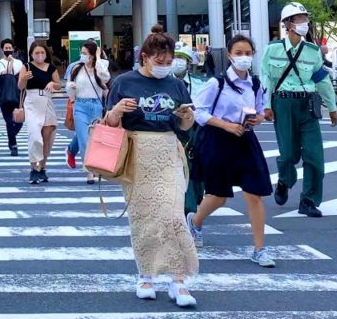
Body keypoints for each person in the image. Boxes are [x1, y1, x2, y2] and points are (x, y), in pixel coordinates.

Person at [104, 32, 198, 308]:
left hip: (168, 150)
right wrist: (118, 109)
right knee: (143, 216)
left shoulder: (176, 85)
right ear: (144, 57)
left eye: (169, 60)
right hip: (136, 151)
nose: (165, 64)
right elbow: (109, 121)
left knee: (173, 215)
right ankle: (145, 275)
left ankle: (178, 279)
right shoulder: (123, 82)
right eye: (160, 59)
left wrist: (187, 116)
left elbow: (184, 127)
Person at [187, 35, 275, 268]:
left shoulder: (255, 84)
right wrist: (225, 125)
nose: (243, 57)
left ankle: (259, 249)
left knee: (254, 193)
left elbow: (259, 111)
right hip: (218, 140)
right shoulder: (217, 83)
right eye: (239, 53)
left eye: (248, 53)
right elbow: (199, 112)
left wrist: (258, 119)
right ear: (229, 55)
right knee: (219, 196)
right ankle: (194, 222)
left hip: (245, 140)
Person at [261, 2, 337, 218]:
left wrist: (331, 106)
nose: (304, 23)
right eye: (299, 19)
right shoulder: (272, 50)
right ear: (287, 24)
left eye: (305, 18)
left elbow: (321, 80)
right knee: (288, 155)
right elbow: (266, 77)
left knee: (315, 156)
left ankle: (309, 200)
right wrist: (266, 105)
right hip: (283, 104)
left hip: (307, 105)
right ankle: (285, 180)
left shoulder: (313, 52)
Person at [64, 40, 109, 184]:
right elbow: (68, 87)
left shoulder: (100, 66)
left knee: (93, 138)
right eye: (81, 53)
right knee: (84, 139)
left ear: (92, 55)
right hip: (80, 105)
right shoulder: (76, 67)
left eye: (85, 53)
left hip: (96, 105)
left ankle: (71, 150)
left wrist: (98, 57)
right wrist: (71, 88)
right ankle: (90, 171)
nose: (82, 55)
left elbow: (105, 77)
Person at [18, 42, 61, 184]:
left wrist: (52, 84)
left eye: (42, 52)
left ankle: (42, 167)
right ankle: (33, 167)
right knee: (34, 135)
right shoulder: (27, 67)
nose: (40, 55)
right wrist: (24, 78)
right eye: (36, 53)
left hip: (47, 101)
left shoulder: (51, 67)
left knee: (46, 138)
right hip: (31, 102)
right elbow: (20, 86)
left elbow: (59, 84)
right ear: (31, 54)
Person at [171, 43, 204, 215]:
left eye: (182, 58)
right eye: (176, 57)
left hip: (195, 129)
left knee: (197, 170)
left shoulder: (199, 84)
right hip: (171, 129)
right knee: (184, 168)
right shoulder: (163, 83)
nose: (178, 62)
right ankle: (188, 209)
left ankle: (195, 199)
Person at [0, 39, 24, 156]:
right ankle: (14, 146)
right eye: (6, 48)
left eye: (10, 48)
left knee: (19, 120)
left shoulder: (19, 63)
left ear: (13, 48)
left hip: (16, 95)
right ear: (2, 50)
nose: (8, 50)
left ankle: (11, 138)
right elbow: (5, 73)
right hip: (4, 96)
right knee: (9, 121)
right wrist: (10, 63)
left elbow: (20, 77)